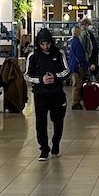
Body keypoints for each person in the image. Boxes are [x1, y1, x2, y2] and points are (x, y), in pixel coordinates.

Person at [25, 27, 70, 160]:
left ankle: (56, 142)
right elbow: (27, 75)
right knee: (40, 123)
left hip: (56, 93)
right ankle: (44, 148)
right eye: (42, 44)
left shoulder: (59, 53)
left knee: (58, 120)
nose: (45, 47)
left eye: (47, 44)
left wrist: (55, 78)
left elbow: (66, 70)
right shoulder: (33, 56)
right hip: (40, 94)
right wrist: (40, 79)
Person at [67, 25, 91, 108]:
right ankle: (75, 102)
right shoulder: (77, 43)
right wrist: (88, 64)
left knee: (77, 84)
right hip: (76, 67)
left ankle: (76, 101)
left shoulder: (72, 42)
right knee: (77, 85)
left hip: (73, 65)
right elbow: (80, 57)